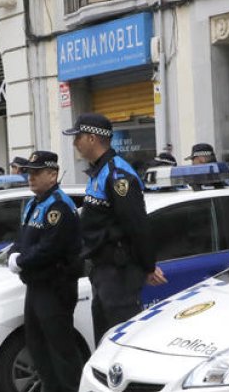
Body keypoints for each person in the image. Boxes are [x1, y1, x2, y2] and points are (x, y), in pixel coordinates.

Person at [64, 112, 165, 344]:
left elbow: (137, 225)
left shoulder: (118, 175)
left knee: (121, 341)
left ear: (91, 138)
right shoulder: (98, 172)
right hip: (103, 271)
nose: (74, 143)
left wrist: (148, 266)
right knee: (105, 340)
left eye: (77, 137)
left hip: (119, 273)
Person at [7, 151, 83, 392]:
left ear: (52, 174)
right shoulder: (32, 204)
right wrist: (14, 254)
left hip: (56, 285)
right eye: (29, 172)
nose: (31, 177)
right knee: (37, 344)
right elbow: (23, 238)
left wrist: (22, 260)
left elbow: (51, 247)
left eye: (37, 173)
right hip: (36, 285)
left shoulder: (59, 206)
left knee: (61, 349)